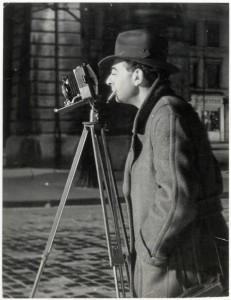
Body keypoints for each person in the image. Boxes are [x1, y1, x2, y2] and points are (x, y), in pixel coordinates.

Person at [98, 29, 228, 298]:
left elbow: (177, 196)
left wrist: (148, 250)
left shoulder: (166, 114)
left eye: (115, 71)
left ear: (137, 75)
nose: (109, 80)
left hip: (177, 270)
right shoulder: (155, 113)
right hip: (170, 264)